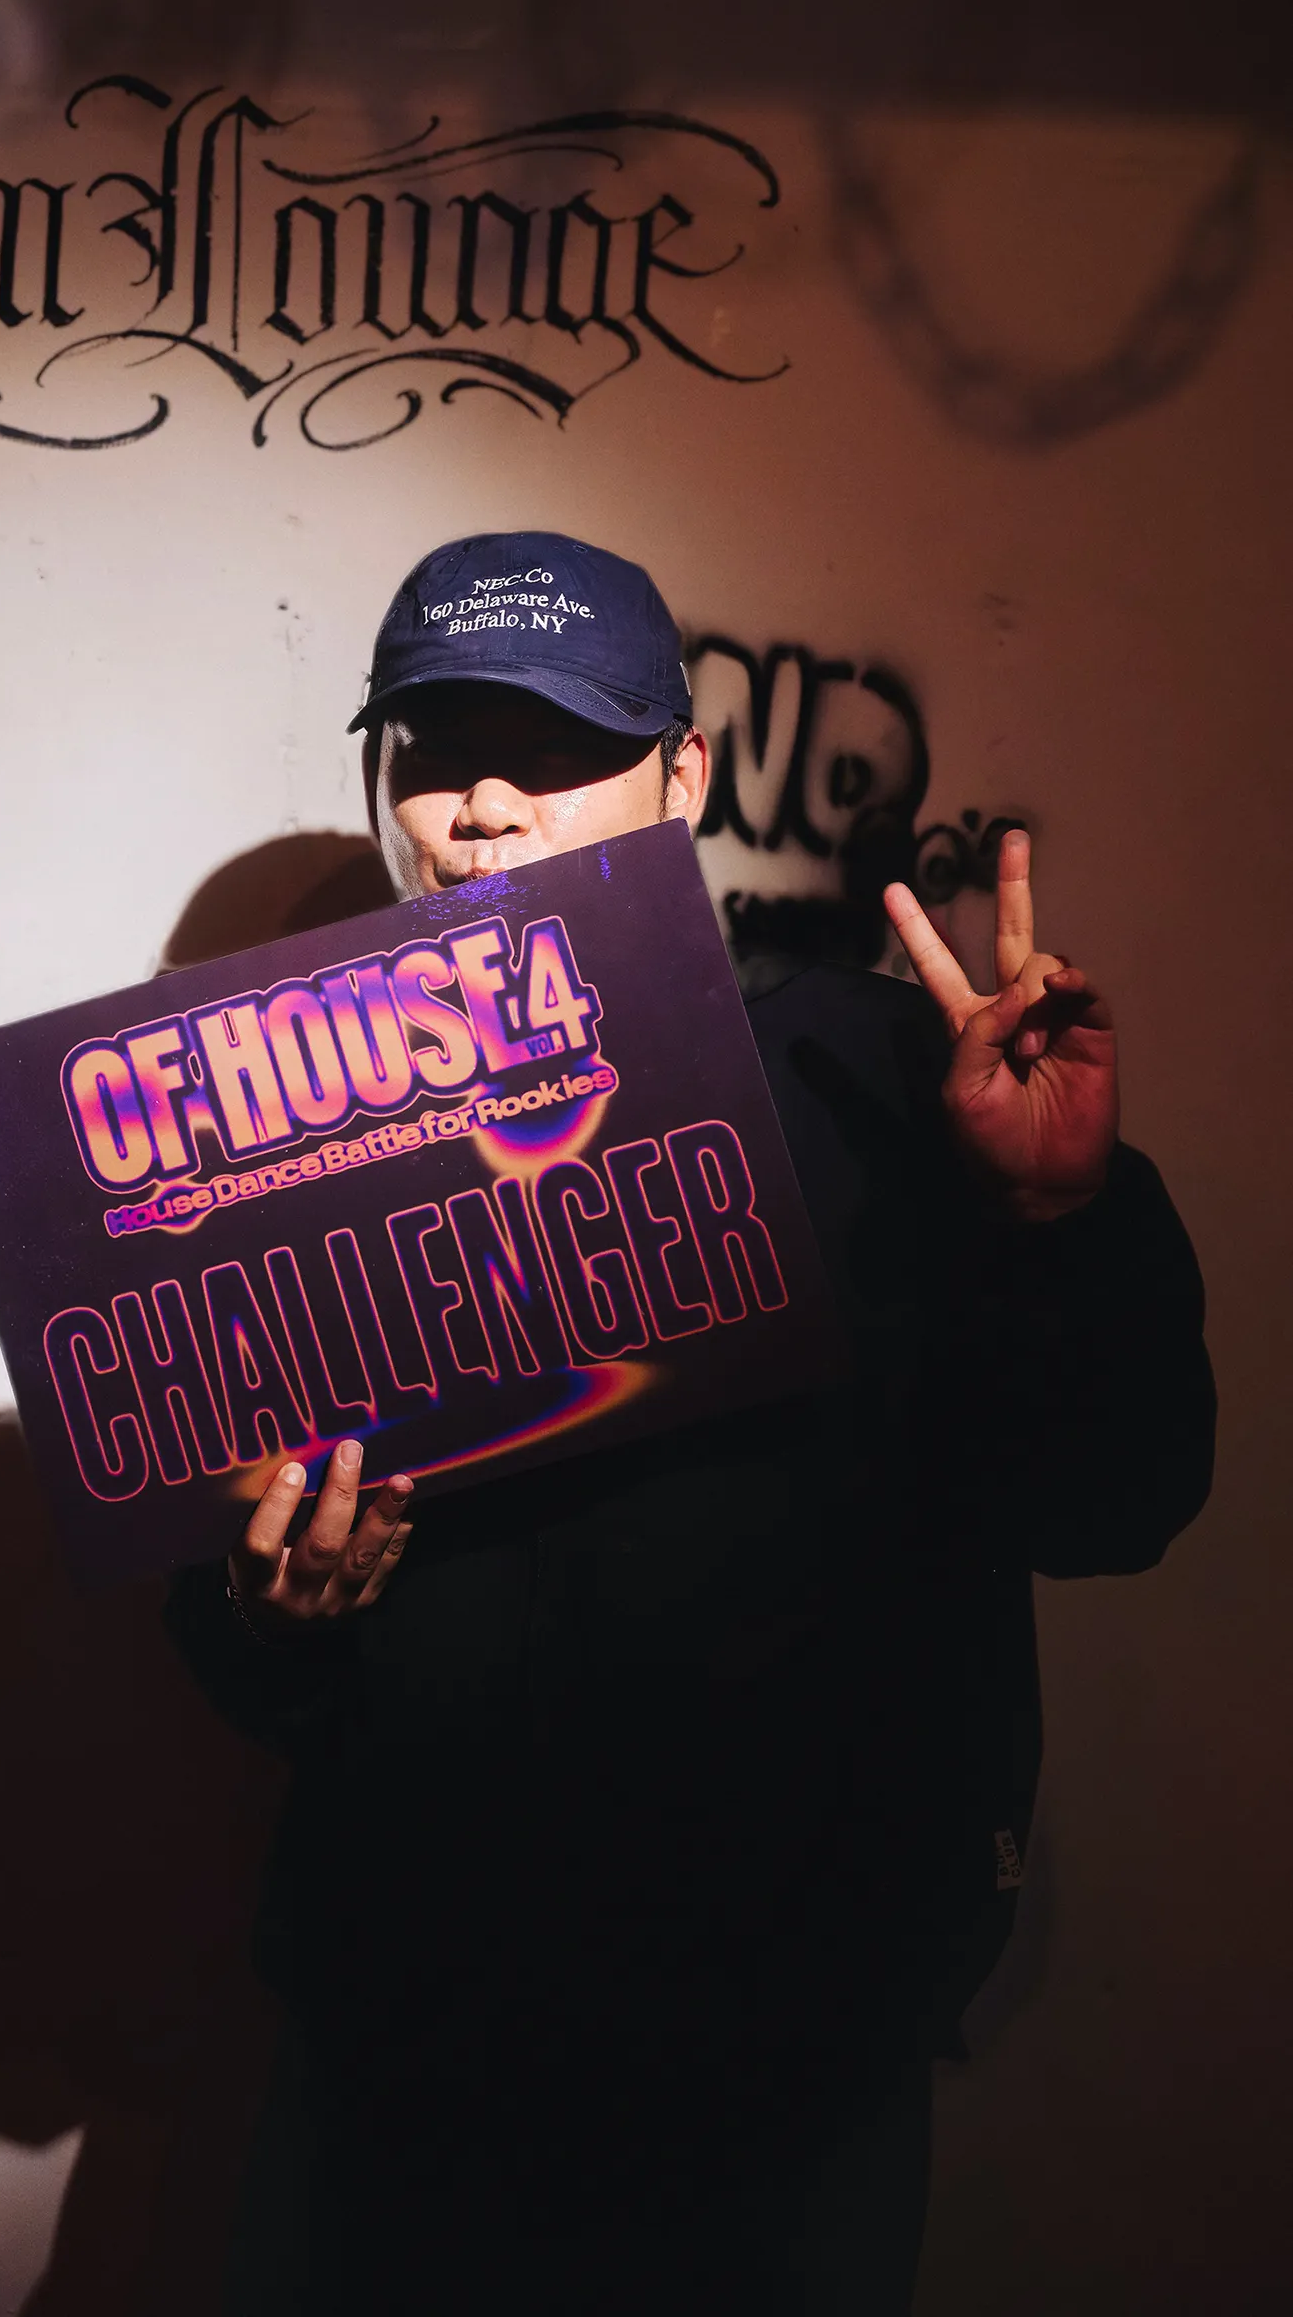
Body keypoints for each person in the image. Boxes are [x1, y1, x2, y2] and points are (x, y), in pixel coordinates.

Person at [163, 532, 1214, 2316]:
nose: (485, 805)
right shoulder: (284, 1151)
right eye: (436, 750)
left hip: (776, 2092)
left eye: (557, 746)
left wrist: (1058, 1218)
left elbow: (1120, 1500)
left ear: (685, 778)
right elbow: (243, 1650)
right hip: (402, 2070)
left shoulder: (883, 1082)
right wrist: (280, 1612)